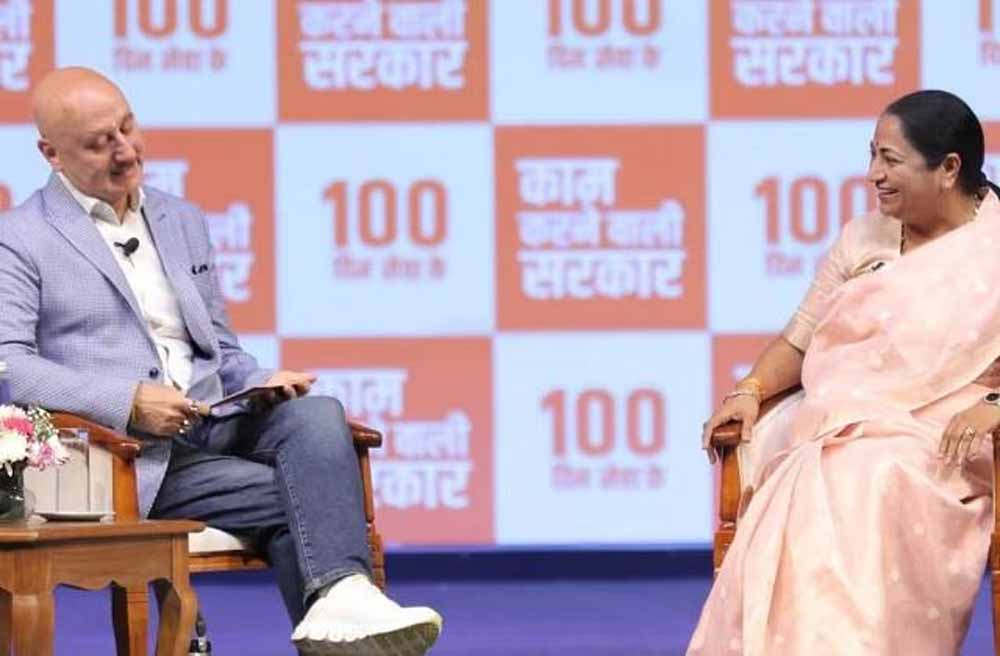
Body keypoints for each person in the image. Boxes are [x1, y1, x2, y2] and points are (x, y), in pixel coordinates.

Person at [0, 67, 441, 655]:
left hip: (218, 418)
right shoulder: (20, 237)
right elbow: (12, 366)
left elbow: (222, 350)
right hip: (134, 455)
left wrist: (261, 382)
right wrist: (129, 403)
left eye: (127, 127)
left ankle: (339, 601)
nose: (125, 151)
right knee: (314, 500)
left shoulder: (179, 218)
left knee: (317, 414)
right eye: (99, 143)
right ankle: (345, 605)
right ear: (51, 154)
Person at [689, 89, 1000, 655]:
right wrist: (751, 389)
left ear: (950, 168)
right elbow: (799, 339)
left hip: (952, 434)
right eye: (871, 155)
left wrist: (995, 405)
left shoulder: (993, 244)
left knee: (866, 472)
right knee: (827, 468)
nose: (873, 174)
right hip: (843, 422)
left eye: (890, 159)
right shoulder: (862, 238)